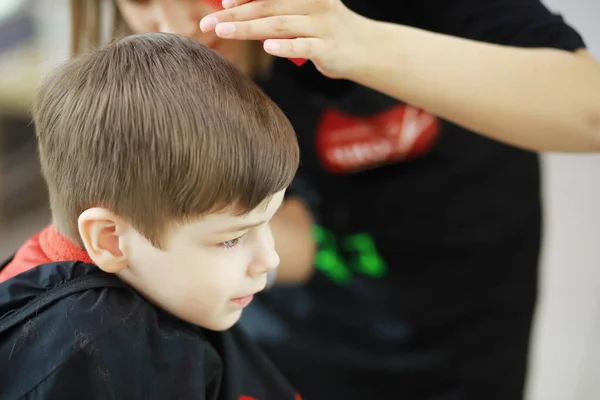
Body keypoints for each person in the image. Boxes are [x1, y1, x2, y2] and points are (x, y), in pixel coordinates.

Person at [73, 0, 600, 399]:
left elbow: (588, 107)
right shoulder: (155, 75)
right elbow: (295, 243)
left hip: (462, 324)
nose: (177, 23)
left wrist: (359, 43)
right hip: (282, 347)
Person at [0, 32, 302, 399]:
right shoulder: (102, 356)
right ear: (109, 239)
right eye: (231, 238)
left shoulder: (129, 289)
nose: (269, 259)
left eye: (265, 222)